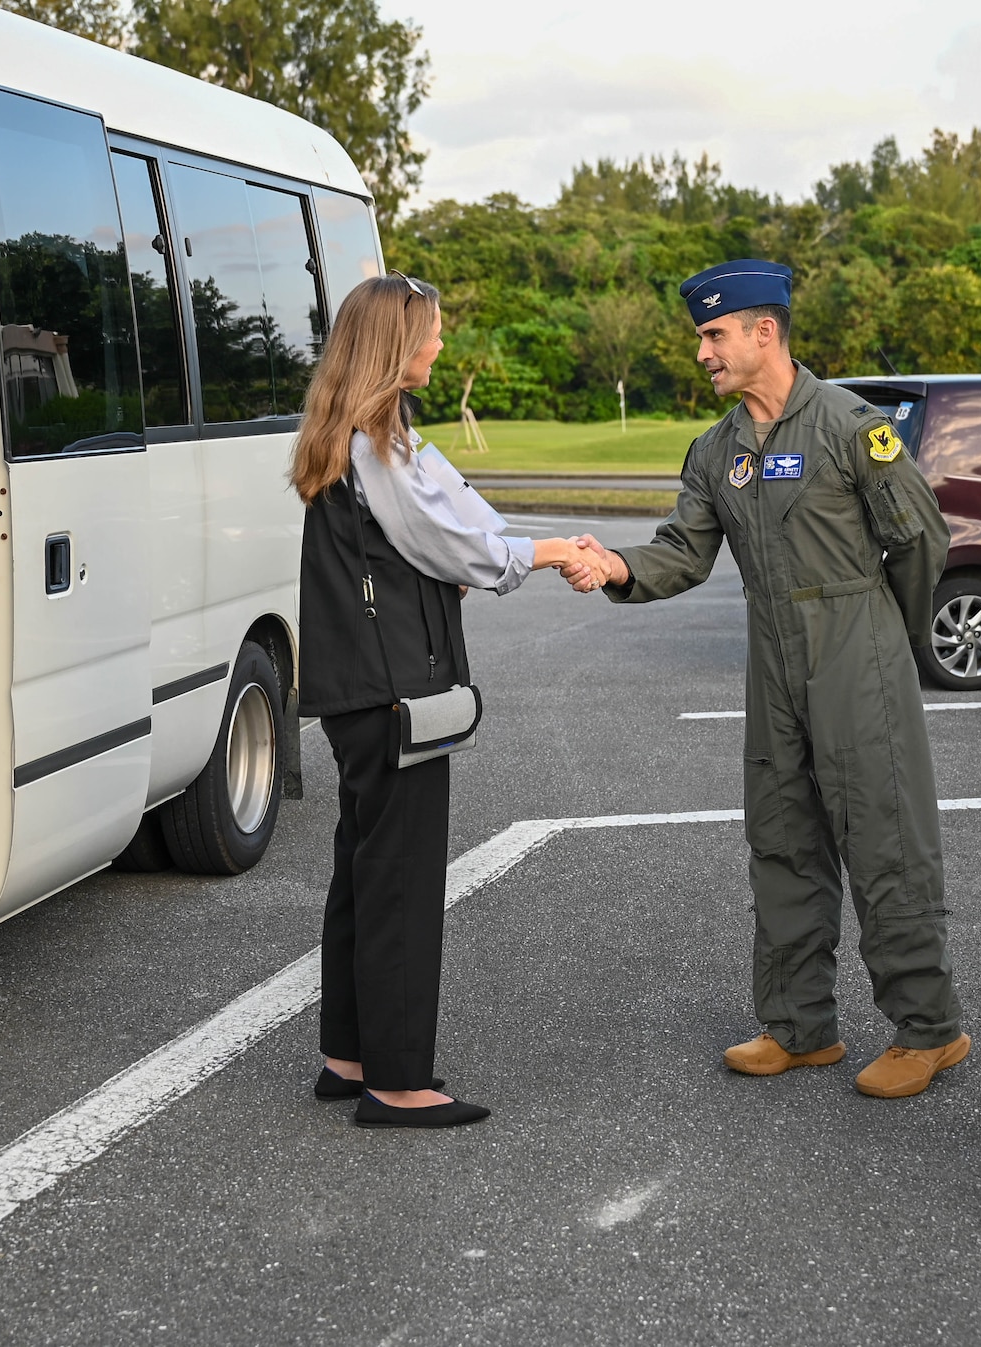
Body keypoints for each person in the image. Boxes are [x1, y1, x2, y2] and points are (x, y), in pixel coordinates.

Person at [563, 260, 969, 1099]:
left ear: (764, 332)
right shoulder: (716, 451)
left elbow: (920, 540)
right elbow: (682, 552)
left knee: (884, 839)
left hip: (857, 646)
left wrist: (887, 638)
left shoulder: (852, 426)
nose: (703, 353)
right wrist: (614, 567)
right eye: (702, 337)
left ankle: (928, 1029)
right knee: (782, 836)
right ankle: (799, 1025)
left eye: (714, 335)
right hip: (773, 653)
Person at [294, 271, 606, 1129]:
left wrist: (523, 545)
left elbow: (456, 513)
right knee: (399, 879)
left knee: (363, 872)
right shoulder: (376, 443)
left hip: (360, 688)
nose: (440, 344)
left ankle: (347, 1054)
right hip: (393, 687)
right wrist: (545, 552)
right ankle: (396, 1082)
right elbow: (449, 539)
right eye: (431, 332)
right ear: (397, 344)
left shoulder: (359, 434)